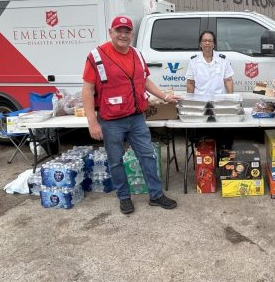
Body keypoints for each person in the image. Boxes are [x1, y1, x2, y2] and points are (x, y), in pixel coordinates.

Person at [81, 15, 180, 215]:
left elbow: (145, 81)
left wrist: (164, 96)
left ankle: (156, 195)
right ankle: (124, 197)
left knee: (148, 156)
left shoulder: (137, 54)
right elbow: (87, 90)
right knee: (116, 160)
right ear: (111, 32)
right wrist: (92, 122)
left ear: (132, 35)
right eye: (119, 31)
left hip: (136, 118)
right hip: (111, 121)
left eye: (127, 31)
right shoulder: (96, 56)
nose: (123, 35)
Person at [185, 30, 234, 95]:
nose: (207, 43)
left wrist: (230, 99)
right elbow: (190, 83)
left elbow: (228, 80)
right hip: (200, 99)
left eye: (210, 41)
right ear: (200, 44)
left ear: (214, 44)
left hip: (218, 99)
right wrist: (191, 101)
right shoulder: (193, 61)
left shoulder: (223, 60)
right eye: (204, 40)